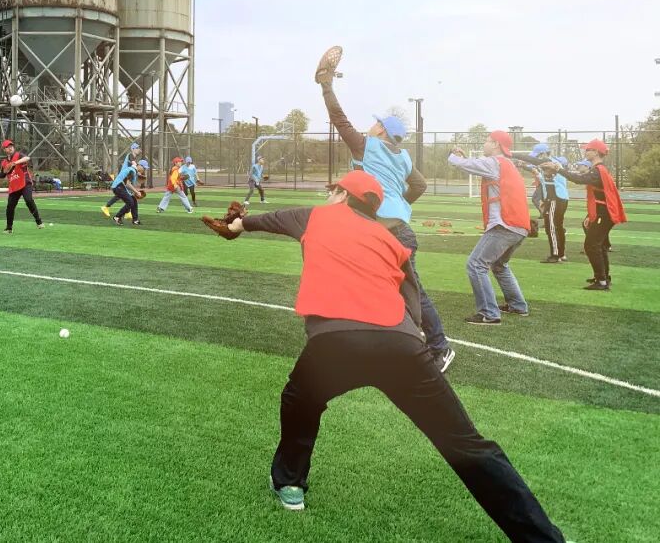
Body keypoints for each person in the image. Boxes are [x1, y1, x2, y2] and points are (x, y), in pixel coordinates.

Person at [208, 170, 565, 541]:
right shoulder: (388, 238)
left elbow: (264, 220)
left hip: (335, 343)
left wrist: (237, 224)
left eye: (332, 190)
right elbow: (413, 300)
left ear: (342, 194)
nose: (328, 196)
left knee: (300, 400)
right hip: (402, 346)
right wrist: (413, 341)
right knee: (466, 444)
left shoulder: (315, 216)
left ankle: (290, 483)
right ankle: (543, 538)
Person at [320, 82, 453, 371]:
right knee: (381, 288)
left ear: (381, 129)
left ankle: (440, 347)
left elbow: (338, 118)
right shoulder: (402, 156)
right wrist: (399, 204)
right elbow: (420, 185)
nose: (371, 126)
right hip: (393, 230)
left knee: (409, 292)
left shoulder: (367, 146)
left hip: (387, 233)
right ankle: (392, 339)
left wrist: (326, 85)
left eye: (375, 123)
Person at [448, 131, 531, 324]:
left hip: (504, 225)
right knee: (499, 265)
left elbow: (460, 164)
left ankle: (489, 313)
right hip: (518, 227)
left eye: (487, 141)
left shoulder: (495, 162)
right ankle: (518, 306)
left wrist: (453, 155)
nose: (484, 144)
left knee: (476, 264)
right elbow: (475, 165)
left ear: (495, 144)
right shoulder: (506, 164)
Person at [543, 140, 626, 290]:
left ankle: (601, 281)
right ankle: (603, 277)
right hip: (604, 213)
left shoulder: (597, 170)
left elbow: (578, 179)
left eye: (588, 150)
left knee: (591, 245)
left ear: (596, 152)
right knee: (598, 245)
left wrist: (558, 169)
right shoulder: (599, 169)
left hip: (604, 214)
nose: (585, 152)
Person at [509, 143, 560, 262]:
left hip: (554, 198)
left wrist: (511, 154)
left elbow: (534, 164)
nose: (537, 159)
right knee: (552, 226)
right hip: (551, 197)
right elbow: (537, 171)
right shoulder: (548, 163)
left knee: (552, 228)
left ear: (544, 154)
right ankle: (559, 254)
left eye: (538, 156)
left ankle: (556, 255)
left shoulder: (549, 162)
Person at [0, 139, 43, 233]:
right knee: (10, 207)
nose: (10, 148)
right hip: (14, 186)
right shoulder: (4, 162)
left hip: (25, 182)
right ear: (4, 149)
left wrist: (14, 163)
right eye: (7, 147)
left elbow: (27, 158)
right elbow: (2, 175)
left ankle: (38, 221)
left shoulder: (18, 155)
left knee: (28, 200)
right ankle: (9, 228)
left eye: (11, 146)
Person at [101, 143, 141, 218]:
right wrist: (138, 169)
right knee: (125, 195)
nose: (138, 149)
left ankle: (127, 213)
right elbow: (134, 165)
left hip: (125, 177)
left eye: (138, 148)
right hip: (123, 178)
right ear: (132, 149)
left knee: (125, 195)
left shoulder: (133, 157)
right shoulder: (131, 155)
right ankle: (107, 207)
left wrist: (137, 172)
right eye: (137, 148)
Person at [110, 158, 147, 226]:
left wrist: (133, 192)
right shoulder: (132, 171)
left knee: (134, 201)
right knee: (130, 202)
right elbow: (127, 184)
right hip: (118, 186)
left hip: (120, 187)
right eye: (144, 168)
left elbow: (127, 184)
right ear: (140, 165)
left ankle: (135, 220)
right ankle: (117, 217)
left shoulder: (133, 170)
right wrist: (137, 192)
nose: (144, 170)